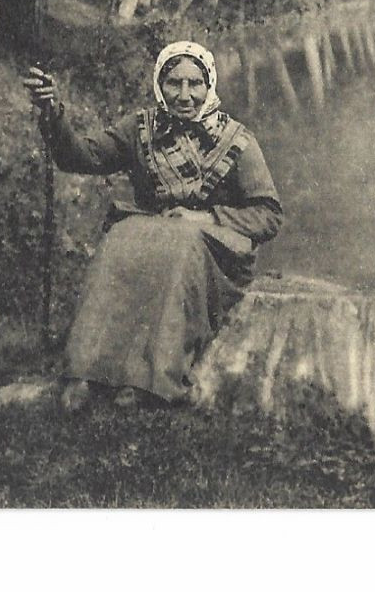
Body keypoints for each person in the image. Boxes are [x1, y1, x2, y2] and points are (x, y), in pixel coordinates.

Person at [20, 41, 283, 412]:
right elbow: (80, 156)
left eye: (195, 84)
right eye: (174, 83)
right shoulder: (140, 129)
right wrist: (52, 112)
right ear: (160, 84)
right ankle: (86, 371)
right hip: (154, 231)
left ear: (210, 86)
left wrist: (205, 217)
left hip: (216, 249)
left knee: (180, 245)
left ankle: (152, 380)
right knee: (119, 237)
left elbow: (269, 215)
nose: (185, 95)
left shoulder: (237, 141)